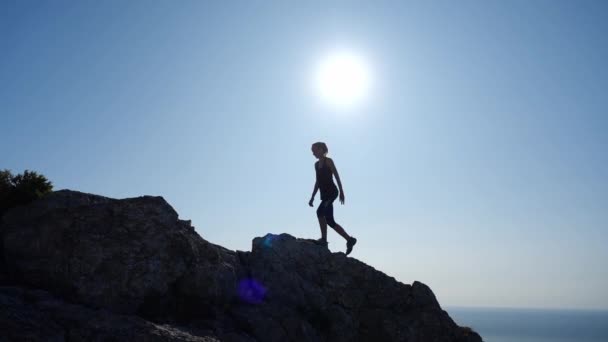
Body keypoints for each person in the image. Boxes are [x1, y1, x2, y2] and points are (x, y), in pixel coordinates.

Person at [308, 142, 357, 255]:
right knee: (330, 220)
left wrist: (341, 191)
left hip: (332, 193)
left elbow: (336, 175)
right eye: (312, 151)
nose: (313, 153)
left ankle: (324, 240)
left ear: (321, 149)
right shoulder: (316, 165)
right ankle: (349, 239)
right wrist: (312, 197)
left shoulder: (328, 161)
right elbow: (317, 182)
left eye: (314, 150)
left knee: (320, 212)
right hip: (324, 195)